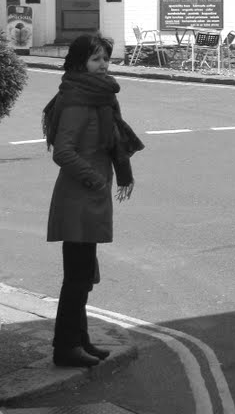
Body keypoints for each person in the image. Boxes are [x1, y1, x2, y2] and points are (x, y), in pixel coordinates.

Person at [42, 33, 144, 368]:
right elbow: (63, 152)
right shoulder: (76, 100)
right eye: (96, 59)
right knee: (76, 277)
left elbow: (111, 143)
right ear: (79, 62)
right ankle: (65, 347)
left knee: (83, 275)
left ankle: (79, 339)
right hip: (79, 197)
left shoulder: (99, 98)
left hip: (91, 196)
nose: (103, 66)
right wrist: (95, 179)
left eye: (106, 59)